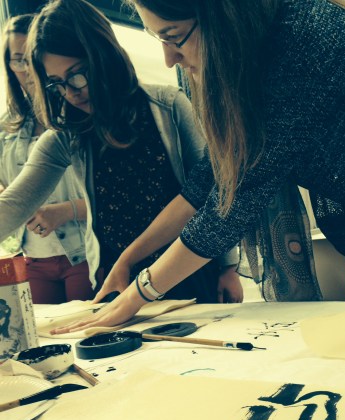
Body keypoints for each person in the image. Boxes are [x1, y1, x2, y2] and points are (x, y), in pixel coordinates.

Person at [47, 0, 345, 333]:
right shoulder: (249, 51)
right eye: (158, 39)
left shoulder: (298, 43)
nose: (169, 59)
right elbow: (208, 180)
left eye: (174, 37)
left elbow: (234, 204)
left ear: (221, 15)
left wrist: (139, 293)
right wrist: (127, 260)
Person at [0, 0, 243, 306]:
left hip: (187, 270)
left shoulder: (168, 106)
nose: (71, 92)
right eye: (57, 84)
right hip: (117, 279)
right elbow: (13, 205)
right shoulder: (65, 138)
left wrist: (228, 266)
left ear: (104, 56)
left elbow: (213, 194)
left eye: (77, 74)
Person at [0, 14, 93, 305]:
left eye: (32, 59)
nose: (28, 70)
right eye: (19, 61)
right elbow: (11, 201)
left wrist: (65, 211)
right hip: (33, 257)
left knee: (88, 327)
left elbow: (118, 201)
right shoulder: (6, 129)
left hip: (82, 252)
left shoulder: (79, 118)